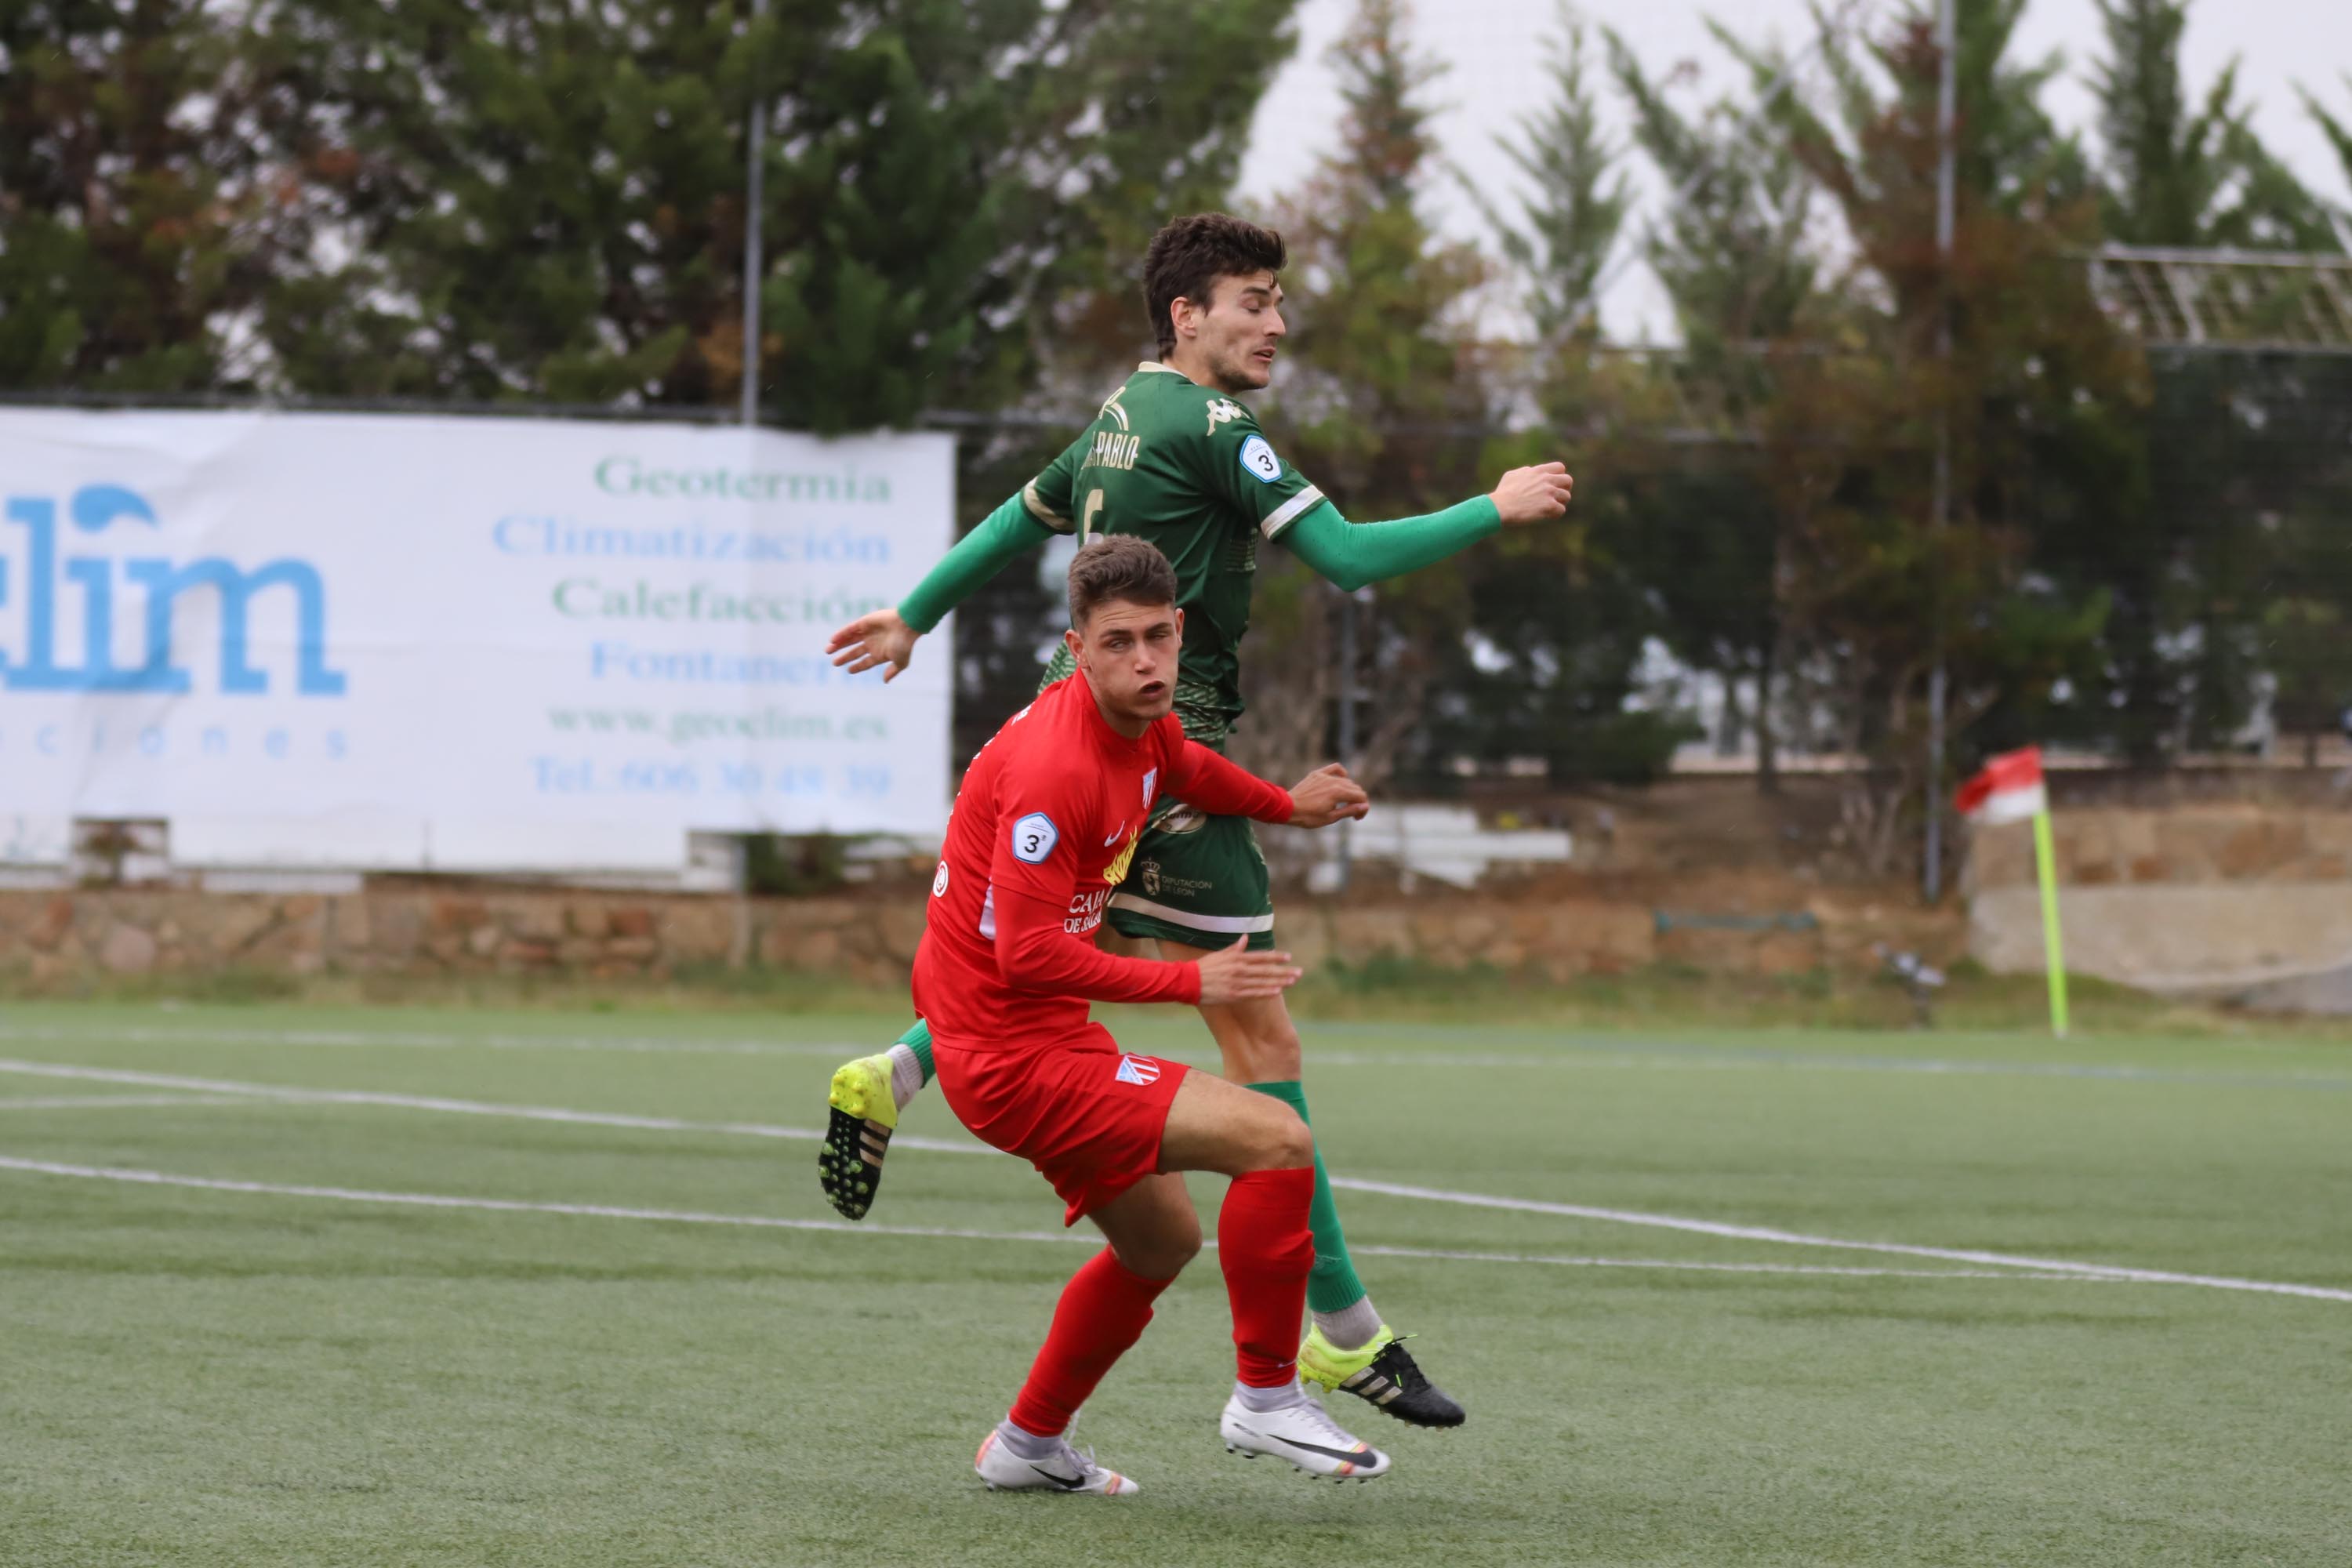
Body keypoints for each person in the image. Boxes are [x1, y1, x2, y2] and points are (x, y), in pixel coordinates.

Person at [822, 211, 1575, 1427]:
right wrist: (1494, 504)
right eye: (1254, 300)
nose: (1275, 324)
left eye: (1277, 302)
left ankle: (902, 1066)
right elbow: (1349, 560)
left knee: (1047, 937)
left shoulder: (1121, 413)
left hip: (1083, 733)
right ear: (1189, 316)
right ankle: (1338, 1335)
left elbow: (1021, 520)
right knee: (1267, 1062)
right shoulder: (1215, 424)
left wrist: (914, 614)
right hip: (1170, 770)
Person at [926, 536, 1385, 1492]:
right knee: (1277, 1138)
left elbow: (1184, 764)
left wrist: (1284, 806)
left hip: (1039, 1041)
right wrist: (1191, 982)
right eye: (1118, 642)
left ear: (1180, 634)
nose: (1145, 661)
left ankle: (1027, 1443)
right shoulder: (1055, 768)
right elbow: (1027, 951)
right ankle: (1266, 1397)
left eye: (1159, 638)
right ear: (1077, 647)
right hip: (1013, 1058)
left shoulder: (1143, 722)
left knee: (1163, 1239)